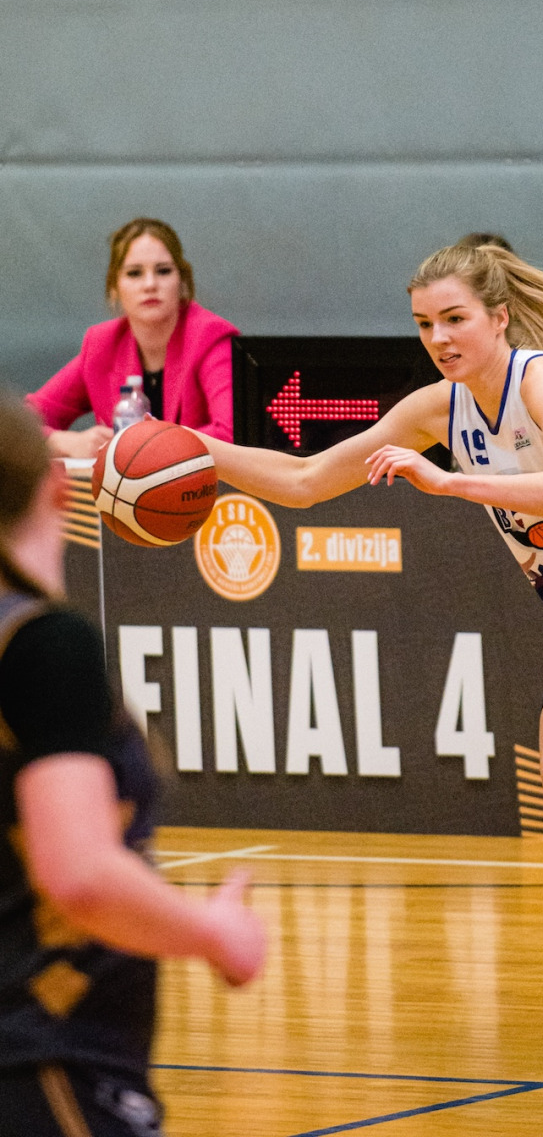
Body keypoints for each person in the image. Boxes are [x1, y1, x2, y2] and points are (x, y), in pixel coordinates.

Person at [195, 240, 543, 1069]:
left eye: (455, 318)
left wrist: (450, 483)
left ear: (498, 317)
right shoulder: (437, 410)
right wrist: (197, 452)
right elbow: (307, 481)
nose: (440, 338)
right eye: (425, 324)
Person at [0, 390, 264, 1133]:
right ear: (59, 489)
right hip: (42, 1050)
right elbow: (80, 873)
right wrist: (214, 932)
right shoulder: (44, 645)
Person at [28, 219, 238, 457]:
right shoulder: (103, 345)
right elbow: (23, 421)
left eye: (163, 271)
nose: (150, 284)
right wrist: (60, 440)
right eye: (134, 273)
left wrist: (142, 448)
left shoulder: (210, 338)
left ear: (181, 280)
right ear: (115, 286)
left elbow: (231, 434)